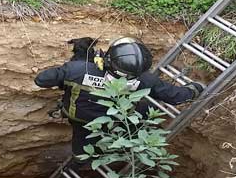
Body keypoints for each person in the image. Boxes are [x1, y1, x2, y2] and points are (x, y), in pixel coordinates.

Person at [35, 36, 204, 172]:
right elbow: (177, 97)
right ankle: (129, 143)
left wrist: (78, 62)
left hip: (80, 120)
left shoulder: (77, 70)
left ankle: (75, 165)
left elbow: (41, 80)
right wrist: (196, 88)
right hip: (118, 121)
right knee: (146, 109)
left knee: (81, 151)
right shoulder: (145, 80)